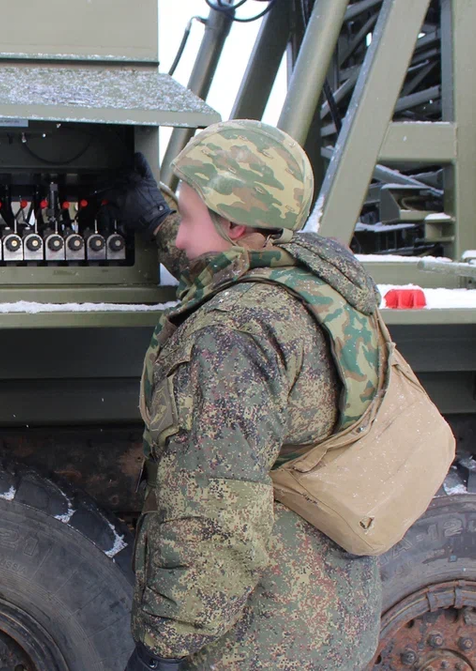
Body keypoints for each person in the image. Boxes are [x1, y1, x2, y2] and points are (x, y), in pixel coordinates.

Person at [115, 120, 383, 670]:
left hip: (255, 643)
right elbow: (224, 262)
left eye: (189, 219)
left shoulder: (231, 337)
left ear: (236, 224)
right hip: (332, 618)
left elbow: (215, 522)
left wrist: (164, 652)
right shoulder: (324, 282)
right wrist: (158, 221)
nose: (183, 238)